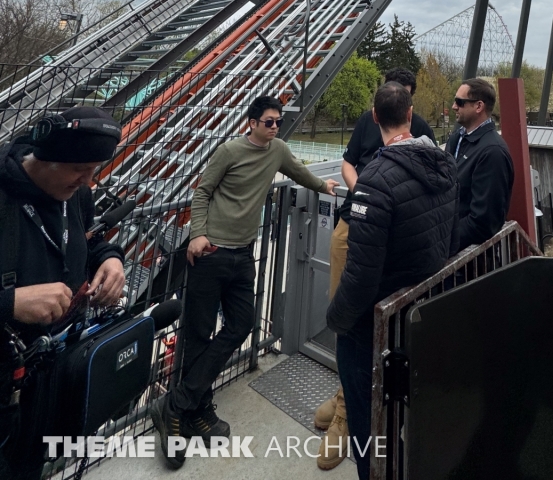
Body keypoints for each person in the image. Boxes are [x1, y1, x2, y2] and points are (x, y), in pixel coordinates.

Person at [152, 95, 339, 468]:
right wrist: (198, 234)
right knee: (199, 333)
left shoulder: (278, 150)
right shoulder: (228, 151)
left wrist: (326, 186)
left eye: (278, 123)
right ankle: (193, 412)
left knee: (241, 323)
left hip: (243, 256)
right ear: (251, 122)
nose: (274, 127)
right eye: (268, 122)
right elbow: (202, 192)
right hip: (212, 253)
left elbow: (301, 173)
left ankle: (176, 404)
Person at [327, 83, 458, 480]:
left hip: (377, 319)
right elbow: (448, 241)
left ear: (373, 117)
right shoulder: (444, 164)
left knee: (369, 414)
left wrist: (337, 318)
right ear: (412, 113)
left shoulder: (376, 179)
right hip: (418, 310)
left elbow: (362, 274)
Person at [0, 107, 125, 480]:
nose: (88, 182)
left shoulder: (77, 196)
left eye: (94, 171)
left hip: (46, 372)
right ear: (46, 157)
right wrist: (10, 303)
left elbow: (89, 240)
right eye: (79, 170)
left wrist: (110, 259)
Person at [446, 78, 514, 249]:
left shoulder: (492, 152)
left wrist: (441, 241)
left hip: (467, 260)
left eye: (460, 102)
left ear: (478, 106)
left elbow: (483, 221)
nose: (454, 106)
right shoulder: (457, 139)